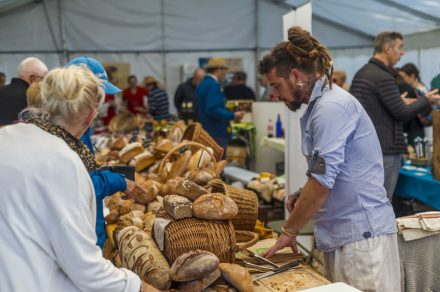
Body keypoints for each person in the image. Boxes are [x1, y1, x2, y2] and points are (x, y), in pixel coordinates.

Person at [258, 26, 400, 291]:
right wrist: (304, 192)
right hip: (347, 239)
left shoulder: (331, 107)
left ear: (297, 76)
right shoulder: (320, 107)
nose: (274, 95)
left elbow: (322, 182)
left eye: (276, 86)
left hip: (361, 242)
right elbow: (332, 171)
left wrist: (289, 231)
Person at [0, 65, 158, 292]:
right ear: (91, 114)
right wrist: (138, 287)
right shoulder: (62, 161)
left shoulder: (6, 135)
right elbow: (87, 270)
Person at [350, 32, 438, 200]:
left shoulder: (362, 73)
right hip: (385, 150)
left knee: (369, 202)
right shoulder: (383, 76)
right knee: (381, 203)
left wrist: (398, 101)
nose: (402, 52)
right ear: (388, 48)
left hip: (367, 148)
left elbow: (373, 107)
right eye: (400, 47)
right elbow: (402, 114)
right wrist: (426, 99)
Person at [66, 56, 139, 249]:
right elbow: (80, 186)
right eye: (98, 95)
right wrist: (118, 181)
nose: (100, 103)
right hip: (80, 233)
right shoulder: (68, 132)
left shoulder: (75, 127)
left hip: (84, 226)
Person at [196, 57, 244, 152]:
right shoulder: (213, 85)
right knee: (218, 164)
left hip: (206, 131)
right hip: (216, 133)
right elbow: (212, 109)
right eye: (225, 71)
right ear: (218, 70)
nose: (225, 75)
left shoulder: (202, 84)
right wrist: (233, 115)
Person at [0, 57, 48, 125]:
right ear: (34, 78)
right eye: (43, 78)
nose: (44, 82)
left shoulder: (1, 91)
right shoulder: (33, 99)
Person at [398, 63, 433, 146]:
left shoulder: (419, 90)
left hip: (425, 128)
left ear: (412, 76)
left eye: (403, 78)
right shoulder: (418, 88)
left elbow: (428, 110)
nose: (402, 80)